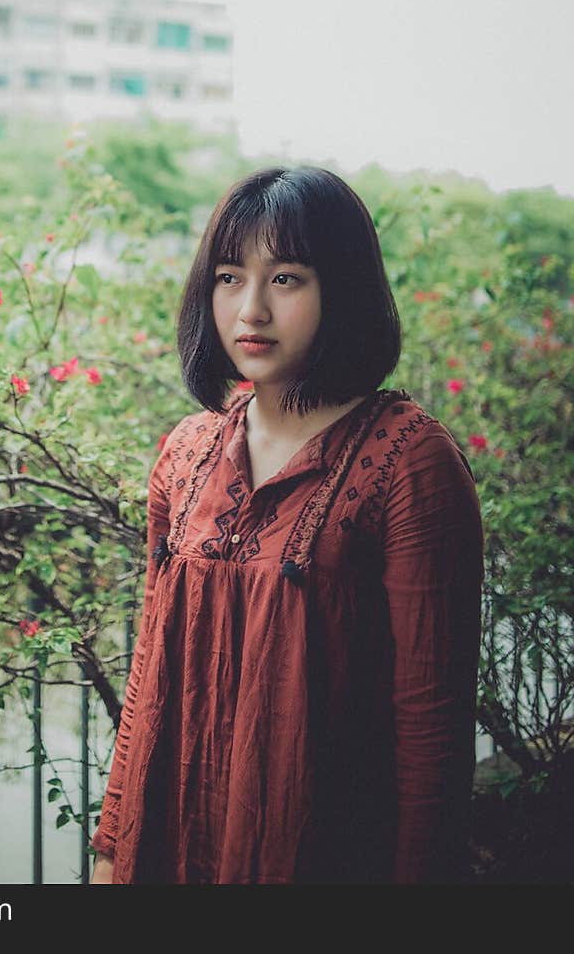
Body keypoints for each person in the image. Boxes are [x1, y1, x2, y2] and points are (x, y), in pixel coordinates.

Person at [89, 165, 484, 885]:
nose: (252, 312)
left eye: (288, 279)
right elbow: (148, 679)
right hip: (173, 849)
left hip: (320, 858)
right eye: (230, 277)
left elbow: (431, 729)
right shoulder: (186, 451)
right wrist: (113, 850)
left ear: (344, 290)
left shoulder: (408, 461)